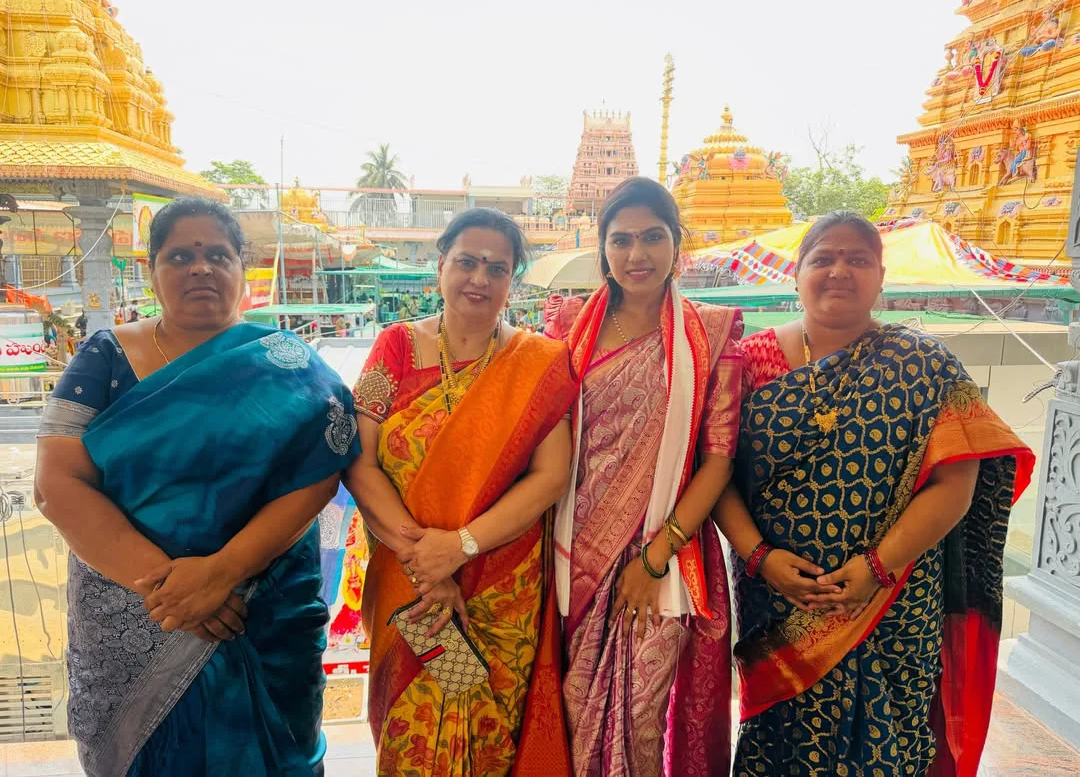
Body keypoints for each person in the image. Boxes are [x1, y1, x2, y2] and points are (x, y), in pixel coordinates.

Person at [35, 197, 360, 777]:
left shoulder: (288, 363)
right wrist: (172, 591)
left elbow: (319, 475)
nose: (200, 268)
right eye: (179, 255)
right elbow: (58, 484)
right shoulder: (105, 358)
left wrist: (222, 572)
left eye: (217, 255)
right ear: (152, 269)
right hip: (136, 613)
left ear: (243, 266)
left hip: (262, 612)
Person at [718, 211, 1034, 776]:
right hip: (779, 597)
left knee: (889, 740)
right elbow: (715, 477)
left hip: (895, 596)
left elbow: (956, 483)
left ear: (880, 277)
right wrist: (760, 559)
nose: (840, 271)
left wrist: (876, 567)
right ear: (797, 275)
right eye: (823, 258)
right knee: (781, 740)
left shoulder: (924, 366)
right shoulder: (745, 364)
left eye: (857, 259)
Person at [346, 207, 577, 776]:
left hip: (500, 579)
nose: (479, 278)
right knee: (412, 732)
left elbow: (552, 476)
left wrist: (462, 546)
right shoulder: (392, 349)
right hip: (413, 578)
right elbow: (358, 458)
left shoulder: (540, 363)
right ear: (441, 265)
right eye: (467, 262)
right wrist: (427, 558)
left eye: (496, 268)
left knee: (493, 726)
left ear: (512, 279)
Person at [554, 177, 743, 777]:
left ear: (676, 244)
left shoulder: (712, 334)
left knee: (639, 721)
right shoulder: (566, 330)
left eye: (653, 238)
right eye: (622, 240)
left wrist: (657, 556)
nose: (637, 255)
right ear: (602, 248)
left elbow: (719, 459)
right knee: (569, 714)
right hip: (568, 556)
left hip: (664, 554)